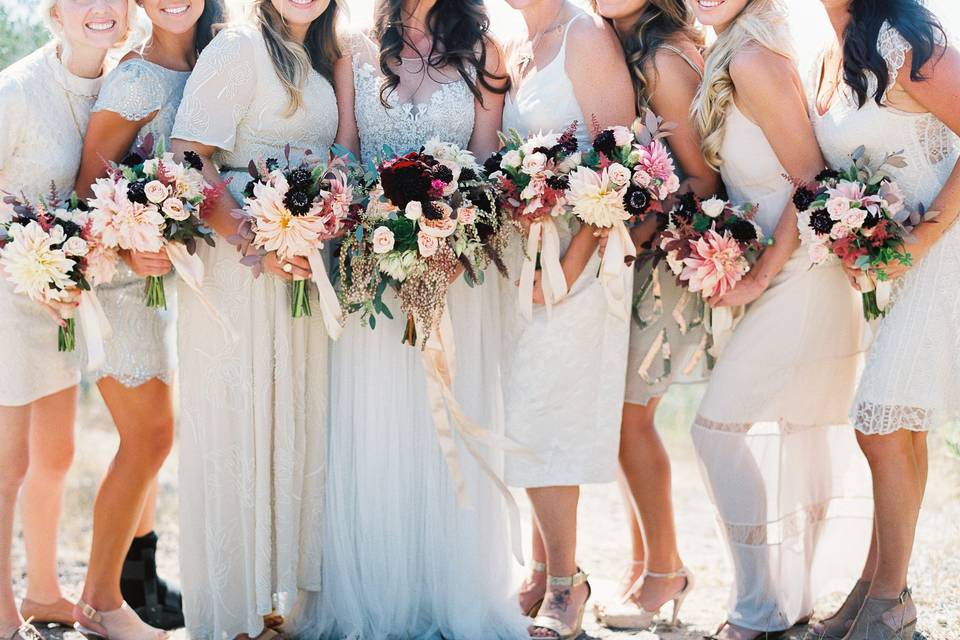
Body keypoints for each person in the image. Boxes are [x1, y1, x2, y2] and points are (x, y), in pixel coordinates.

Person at [288, 1, 526, 638]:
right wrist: (347, 214)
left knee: (441, 417)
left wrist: (450, 238)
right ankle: (373, 592)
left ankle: (449, 593)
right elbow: (345, 150)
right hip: (370, 267)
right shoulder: (352, 50)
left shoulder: (485, 50)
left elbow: (485, 163)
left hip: (452, 275)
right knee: (373, 420)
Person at [685, 0, 873, 638]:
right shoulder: (731, 45)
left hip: (803, 274)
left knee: (718, 432)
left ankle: (759, 610)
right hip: (780, 266)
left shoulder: (752, 57)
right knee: (797, 433)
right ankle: (785, 603)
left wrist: (761, 274)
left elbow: (810, 179)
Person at [170, 0, 345, 637]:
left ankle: (274, 608)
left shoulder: (321, 58)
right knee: (237, 424)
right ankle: (232, 615)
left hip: (300, 260)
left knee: (286, 418)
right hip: (237, 264)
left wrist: (311, 229)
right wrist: (252, 237)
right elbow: (189, 153)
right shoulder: (238, 47)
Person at [69, 1, 226, 634]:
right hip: (122, 281)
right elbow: (84, 187)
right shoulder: (135, 79)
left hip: (182, 282)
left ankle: (138, 580)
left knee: (155, 441)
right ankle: (98, 603)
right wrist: (132, 239)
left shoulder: (217, 60)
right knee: (151, 438)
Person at [810, 1, 960, 638]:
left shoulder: (908, 39)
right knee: (899, 424)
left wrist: (922, 238)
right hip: (899, 262)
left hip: (945, 245)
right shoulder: (826, 50)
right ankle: (874, 593)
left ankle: (889, 602)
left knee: (883, 423)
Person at [499, 1, 635, 638]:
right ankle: (540, 569)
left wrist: (569, 268)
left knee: (546, 413)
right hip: (526, 263)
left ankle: (565, 586)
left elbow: (622, 159)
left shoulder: (584, 33)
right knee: (526, 410)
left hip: (580, 260)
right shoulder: (520, 41)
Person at [586, 0, 720, 630]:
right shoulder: (612, 47)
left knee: (628, 417)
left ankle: (665, 570)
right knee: (618, 415)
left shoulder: (663, 58)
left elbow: (704, 179)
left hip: (663, 259)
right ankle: (646, 564)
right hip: (625, 258)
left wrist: (635, 227)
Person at [0, 1, 131, 637]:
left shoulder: (123, 85)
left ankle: (45, 592)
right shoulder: (18, 91)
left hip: (65, 296)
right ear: (54, 12)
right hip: (7, 292)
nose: (100, 8)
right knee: (7, 462)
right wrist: (25, 259)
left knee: (56, 453)